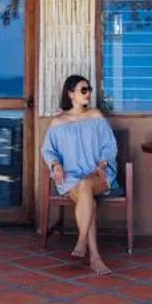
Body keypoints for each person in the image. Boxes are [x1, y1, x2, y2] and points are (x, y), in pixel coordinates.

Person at [41, 74, 118, 276]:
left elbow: (110, 145)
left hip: (97, 174)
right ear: (71, 94)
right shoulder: (58, 122)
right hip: (71, 177)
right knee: (86, 197)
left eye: (89, 89)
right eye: (83, 90)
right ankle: (94, 257)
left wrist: (103, 161)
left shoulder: (95, 116)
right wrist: (56, 165)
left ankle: (82, 240)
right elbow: (48, 150)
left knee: (86, 185)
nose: (88, 94)